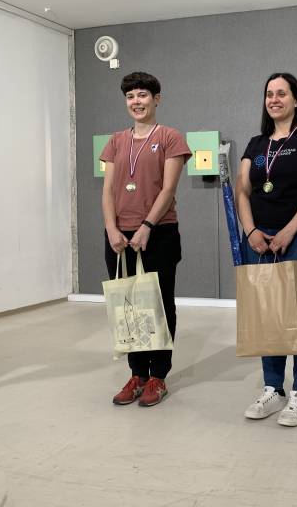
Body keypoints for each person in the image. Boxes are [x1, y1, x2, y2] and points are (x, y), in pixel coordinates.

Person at [235, 72, 297, 427]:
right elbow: (242, 191)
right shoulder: (256, 144)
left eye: (281, 93)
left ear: (296, 99)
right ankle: (273, 388)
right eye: (269, 94)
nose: (274, 99)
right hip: (259, 238)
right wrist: (250, 230)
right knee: (267, 311)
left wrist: (290, 230)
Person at [100, 71, 192, 407]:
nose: (136, 102)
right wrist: (112, 229)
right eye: (130, 97)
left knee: (159, 304)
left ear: (156, 99)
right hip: (119, 236)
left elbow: (168, 189)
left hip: (159, 232)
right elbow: (108, 190)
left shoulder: (170, 137)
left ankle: (158, 376)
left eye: (142, 95)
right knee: (128, 306)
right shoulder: (116, 141)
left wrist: (147, 226)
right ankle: (137, 374)